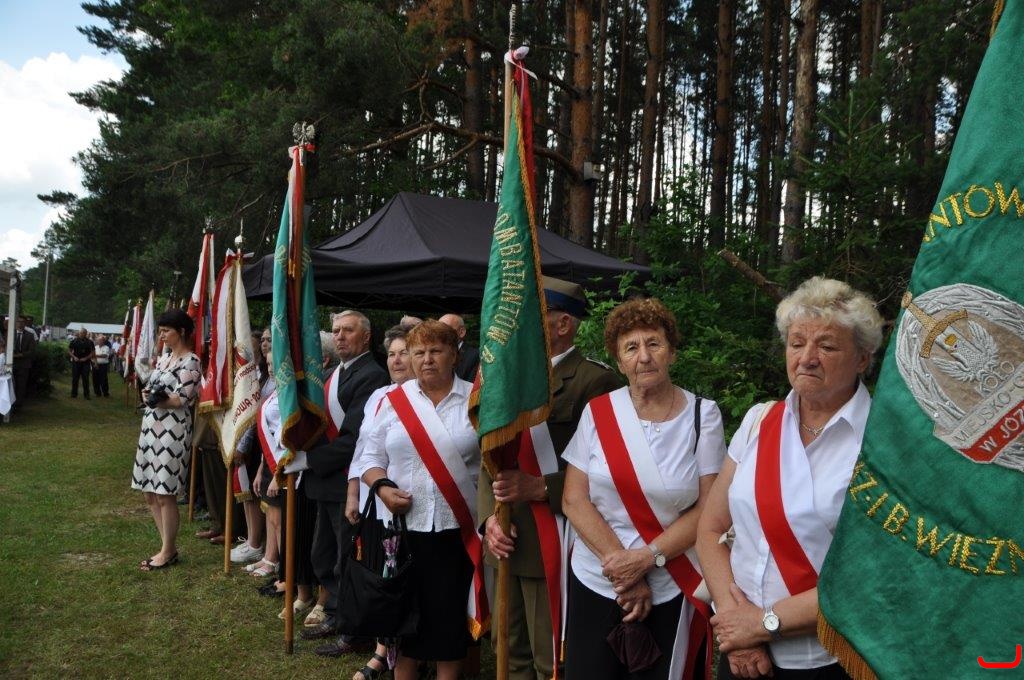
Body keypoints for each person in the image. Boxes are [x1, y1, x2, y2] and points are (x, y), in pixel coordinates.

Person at [695, 277, 883, 680]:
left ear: (862, 359)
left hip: (830, 659)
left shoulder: (881, 444)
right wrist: (736, 624)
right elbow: (710, 529)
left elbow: (872, 577)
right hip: (741, 655)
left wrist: (762, 624)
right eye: (797, 343)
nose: (807, 358)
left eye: (827, 346)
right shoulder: (758, 421)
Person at [561, 298, 727, 680]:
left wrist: (647, 559)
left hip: (671, 580)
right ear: (620, 362)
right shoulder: (598, 411)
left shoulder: (703, 415)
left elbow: (709, 508)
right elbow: (573, 498)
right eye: (631, 347)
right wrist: (625, 569)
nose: (644, 356)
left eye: (654, 343)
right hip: (597, 576)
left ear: (672, 352)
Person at [480, 276, 621, 680]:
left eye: (533, 315)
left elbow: (607, 467)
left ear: (563, 324)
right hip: (505, 533)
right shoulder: (507, 375)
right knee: (508, 650)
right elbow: (487, 453)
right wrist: (488, 518)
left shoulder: (596, 381)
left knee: (549, 657)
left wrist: (541, 487)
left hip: (555, 536)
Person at [361, 319, 485, 680]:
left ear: (454, 355)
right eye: (419, 352)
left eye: (435, 351)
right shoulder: (393, 402)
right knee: (404, 618)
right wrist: (382, 487)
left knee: (448, 618)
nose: (426, 359)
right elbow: (369, 458)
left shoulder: (476, 400)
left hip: (456, 529)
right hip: (402, 531)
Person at [300, 310, 389, 651]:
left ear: (365, 336)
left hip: (348, 483)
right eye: (336, 330)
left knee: (346, 558)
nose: (339, 336)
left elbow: (355, 438)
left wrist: (310, 459)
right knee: (323, 555)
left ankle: (352, 629)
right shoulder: (331, 374)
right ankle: (336, 613)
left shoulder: (372, 375)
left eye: (348, 330)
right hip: (325, 481)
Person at [345, 324, 415, 679]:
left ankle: (405, 655)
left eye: (404, 352)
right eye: (391, 354)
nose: (396, 360)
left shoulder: (424, 397)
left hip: (410, 505)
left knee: (404, 580)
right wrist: (353, 492)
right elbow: (362, 447)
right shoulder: (379, 396)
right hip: (375, 501)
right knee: (380, 574)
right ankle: (381, 651)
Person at [130, 309, 202, 570]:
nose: (161, 335)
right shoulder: (164, 359)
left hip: (172, 432)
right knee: (149, 492)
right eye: (160, 331)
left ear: (181, 331)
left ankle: (168, 549)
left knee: (164, 493)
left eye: (166, 331)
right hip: (150, 428)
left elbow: (182, 399)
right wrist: (149, 394)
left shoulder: (191, 361)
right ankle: (166, 547)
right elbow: (154, 389)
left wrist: (159, 398)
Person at [439, 313, 479, 382]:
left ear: (461, 332)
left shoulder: (475, 356)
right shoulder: (433, 354)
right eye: (437, 330)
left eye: (445, 330)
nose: (439, 334)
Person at [11, 316, 36, 407]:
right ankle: (10, 404)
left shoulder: (30, 335)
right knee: (11, 385)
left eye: (22, 322)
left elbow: (31, 351)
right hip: (11, 364)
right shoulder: (10, 333)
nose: (20, 323)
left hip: (24, 365)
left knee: (21, 385)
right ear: (15, 322)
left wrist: (19, 355)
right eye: (18, 321)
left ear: (25, 324)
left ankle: (18, 405)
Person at [68, 328, 95, 399]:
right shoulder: (74, 341)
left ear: (86, 334)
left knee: (85, 378)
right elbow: (69, 351)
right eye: (80, 333)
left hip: (85, 362)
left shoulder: (90, 342)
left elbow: (93, 352)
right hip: (76, 362)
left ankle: (86, 395)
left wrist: (86, 358)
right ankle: (74, 394)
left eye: (83, 333)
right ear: (79, 333)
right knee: (75, 378)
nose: (82, 334)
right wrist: (74, 357)